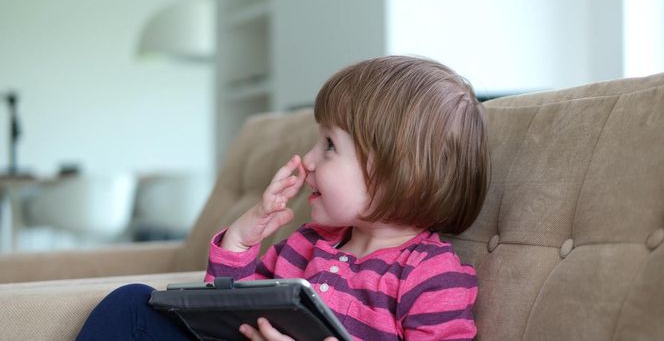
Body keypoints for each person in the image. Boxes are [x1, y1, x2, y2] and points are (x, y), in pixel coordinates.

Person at [77, 56, 489, 341]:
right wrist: (240, 241)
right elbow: (227, 316)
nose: (306, 160)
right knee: (130, 304)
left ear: (397, 172)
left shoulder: (430, 276)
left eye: (329, 145)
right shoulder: (306, 243)